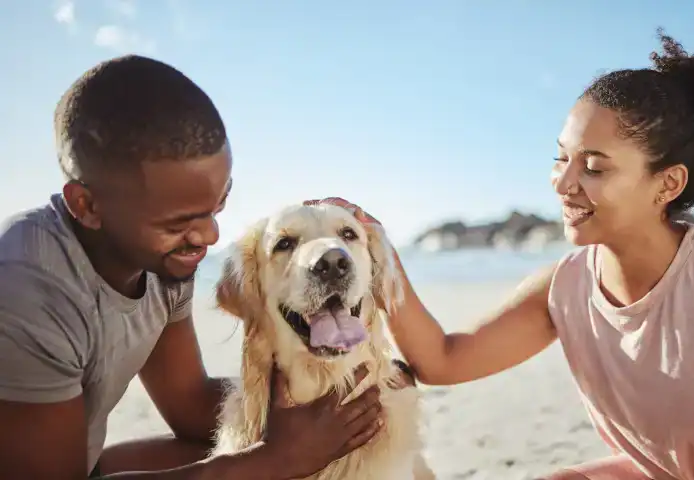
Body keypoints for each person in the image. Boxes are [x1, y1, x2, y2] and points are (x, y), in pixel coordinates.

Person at [317, 31, 694, 479]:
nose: (564, 184)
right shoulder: (568, 286)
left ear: (668, 183)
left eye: (593, 167)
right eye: (560, 158)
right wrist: (378, 252)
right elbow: (444, 360)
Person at [0, 55, 413, 480]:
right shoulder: (26, 286)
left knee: (236, 442)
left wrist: (339, 407)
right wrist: (276, 458)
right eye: (178, 221)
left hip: (79, 463)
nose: (209, 235)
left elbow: (189, 405)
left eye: (217, 205)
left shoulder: (160, 259)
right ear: (87, 205)